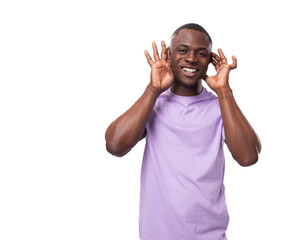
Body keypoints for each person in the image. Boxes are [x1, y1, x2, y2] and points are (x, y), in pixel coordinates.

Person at [105, 23, 261, 240]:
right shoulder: (154, 104)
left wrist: (224, 91)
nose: (191, 58)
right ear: (169, 55)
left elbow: (248, 156)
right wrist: (153, 89)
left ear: (210, 61)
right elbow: (114, 145)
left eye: (201, 53)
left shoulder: (221, 107)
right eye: (182, 50)